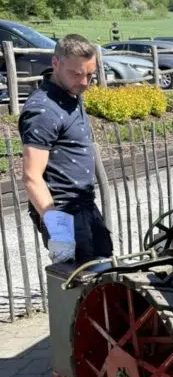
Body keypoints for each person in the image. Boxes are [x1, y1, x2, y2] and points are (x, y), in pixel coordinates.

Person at [19, 34, 113, 264]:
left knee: (105, 277)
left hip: (85, 204)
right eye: (76, 73)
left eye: (90, 75)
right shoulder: (43, 111)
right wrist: (58, 229)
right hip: (63, 211)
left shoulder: (71, 94)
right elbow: (31, 177)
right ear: (55, 64)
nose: (84, 82)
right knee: (80, 286)